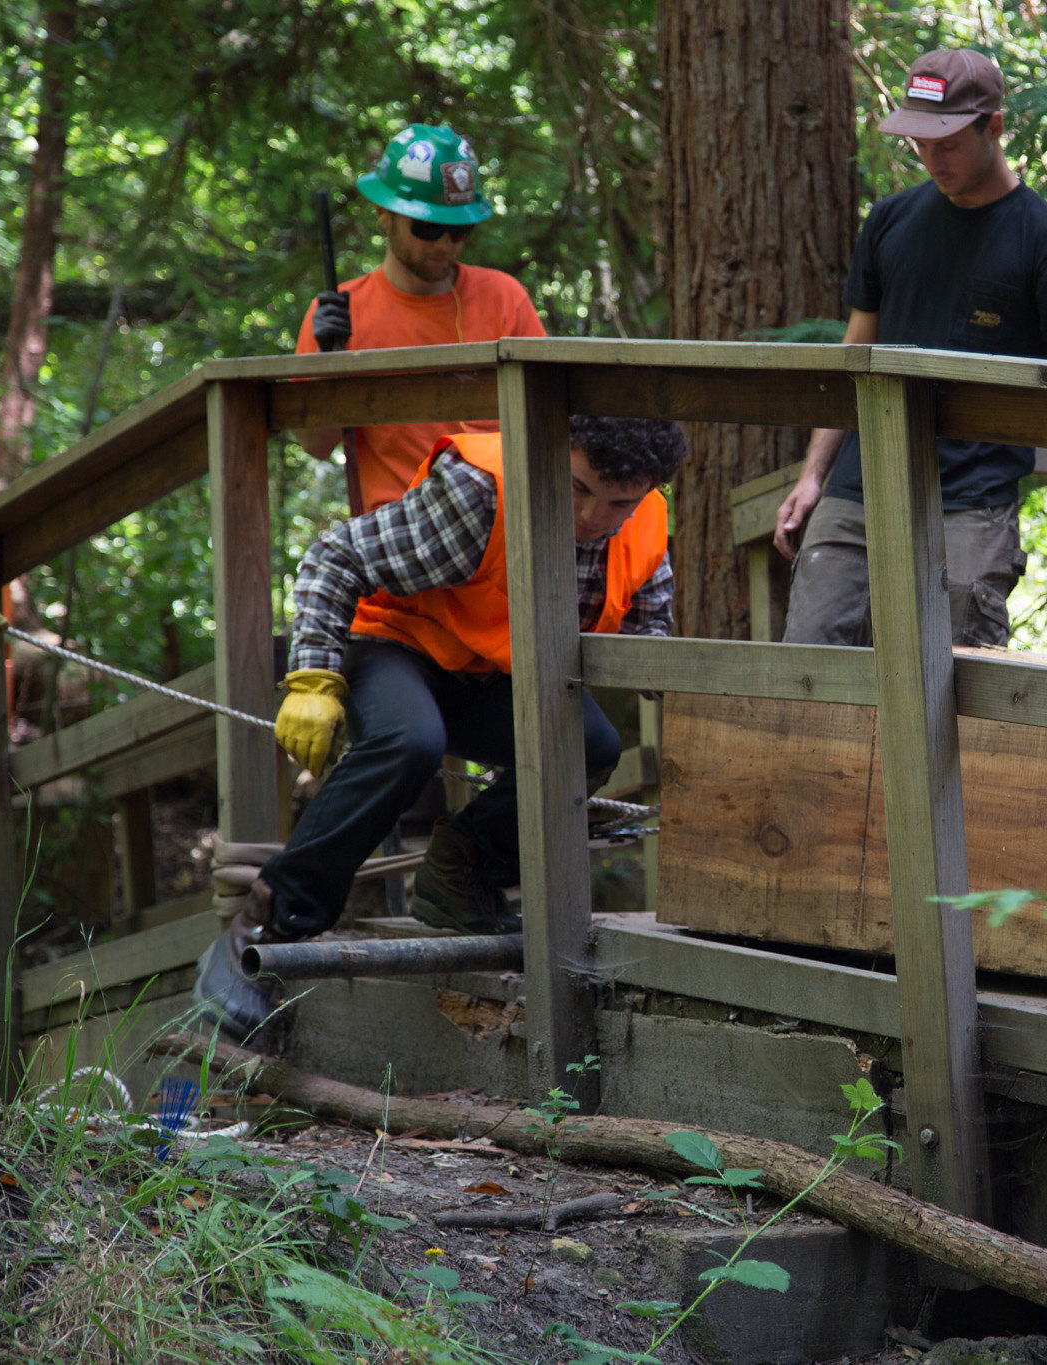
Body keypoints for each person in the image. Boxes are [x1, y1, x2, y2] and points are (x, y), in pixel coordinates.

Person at [194, 417, 684, 1038]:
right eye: (577, 488)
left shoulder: (646, 524)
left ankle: (460, 878)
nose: (592, 515)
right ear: (553, 451)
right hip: (396, 645)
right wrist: (313, 678)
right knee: (410, 741)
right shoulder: (481, 490)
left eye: (617, 501)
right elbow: (336, 556)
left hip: (486, 674)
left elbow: (649, 642)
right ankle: (267, 924)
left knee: (591, 746)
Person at [773, 49, 1047, 648]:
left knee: (958, 694)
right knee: (811, 671)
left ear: (994, 126)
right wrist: (812, 475)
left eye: (948, 142)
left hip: (971, 505)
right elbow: (853, 358)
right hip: (859, 489)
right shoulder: (889, 222)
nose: (932, 158)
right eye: (920, 142)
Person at [297, 124, 548, 512]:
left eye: (459, 231)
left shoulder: (504, 298)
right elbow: (315, 446)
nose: (445, 245)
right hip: (399, 530)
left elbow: (548, 421)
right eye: (428, 228)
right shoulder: (339, 313)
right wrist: (328, 366)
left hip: (499, 522)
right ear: (384, 214)